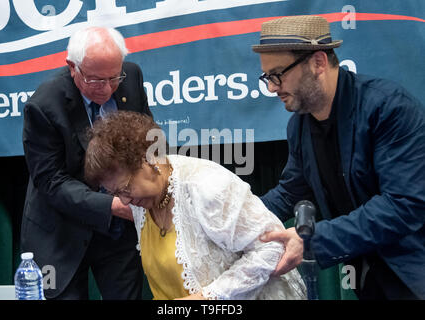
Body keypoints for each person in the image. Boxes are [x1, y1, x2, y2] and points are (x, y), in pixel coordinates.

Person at [252, 15, 425, 299]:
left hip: (414, 274)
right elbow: (289, 193)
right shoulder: (299, 125)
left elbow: (403, 204)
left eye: (278, 74)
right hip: (370, 282)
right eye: (267, 77)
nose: (272, 87)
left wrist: (312, 240)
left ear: (318, 62)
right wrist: (234, 217)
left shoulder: (388, 107)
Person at [83, 110, 307, 300]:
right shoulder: (142, 201)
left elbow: (271, 248)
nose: (123, 201)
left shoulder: (207, 187)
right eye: (114, 193)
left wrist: (208, 297)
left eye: (125, 189)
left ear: (149, 160)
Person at [21, 26, 152, 299]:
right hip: (61, 230)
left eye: (113, 77)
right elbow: (51, 182)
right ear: (73, 68)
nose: (106, 88)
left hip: (119, 232)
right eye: (95, 80)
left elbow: (150, 140)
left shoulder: (131, 77)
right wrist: (113, 206)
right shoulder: (44, 105)